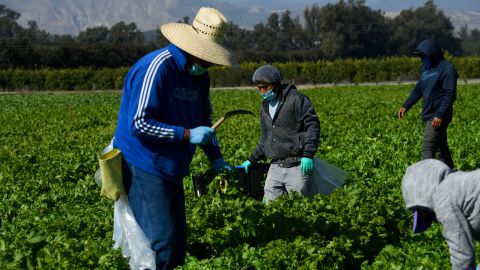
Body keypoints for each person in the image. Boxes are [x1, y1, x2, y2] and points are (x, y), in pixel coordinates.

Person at [112, 7, 234, 269]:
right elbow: (139, 123)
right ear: (192, 49)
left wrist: (216, 157)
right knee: (162, 242)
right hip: (144, 162)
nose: (210, 63)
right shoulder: (157, 68)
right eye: (207, 57)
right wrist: (187, 134)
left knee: (177, 242)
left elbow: (205, 119)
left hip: (173, 165)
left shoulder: (200, 77)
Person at [241, 65, 320, 204]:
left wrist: (308, 154)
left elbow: (312, 125)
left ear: (276, 84)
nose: (262, 91)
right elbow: (266, 138)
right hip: (275, 166)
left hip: (297, 165)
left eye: (265, 87)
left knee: (301, 208)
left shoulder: (297, 99)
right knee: (270, 208)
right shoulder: (264, 106)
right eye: (259, 88)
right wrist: (251, 159)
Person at [402, 159, 480, 269]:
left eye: (424, 213)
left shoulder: (442, 197)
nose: (435, 219)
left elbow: (463, 256)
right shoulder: (459, 182)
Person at [397, 39, 457, 169]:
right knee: (441, 148)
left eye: (424, 56)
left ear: (433, 54)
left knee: (428, 147)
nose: (423, 59)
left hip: (437, 116)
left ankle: (425, 179)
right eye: (421, 57)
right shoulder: (425, 70)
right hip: (429, 114)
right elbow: (418, 89)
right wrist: (406, 105)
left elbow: (450, 94)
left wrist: (440, 115)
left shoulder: (447, 69)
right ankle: (451, 174)